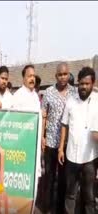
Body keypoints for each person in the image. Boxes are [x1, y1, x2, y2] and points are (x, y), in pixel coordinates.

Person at [58, 67, 98, 214]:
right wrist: (61, 148)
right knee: (70, 194)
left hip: (90, 158)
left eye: (87, 84)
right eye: (81, 84)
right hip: (71, 157)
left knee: (89, 196)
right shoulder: (71, 101)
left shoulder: (97, 102)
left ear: (92, 84)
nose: (83, 87)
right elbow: (64, 125)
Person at [41, 62, 76, 214]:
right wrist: (42, 136)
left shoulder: (74, 93)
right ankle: (47, 208)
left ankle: (61, 209)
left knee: (63, 180)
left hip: (67, 144)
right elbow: (44, 115)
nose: (63, 77)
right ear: (56, 76)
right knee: (49, 178)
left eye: (65, 74)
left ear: (69, 75)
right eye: (60, 74)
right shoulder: (48, 92)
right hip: (50, 142)